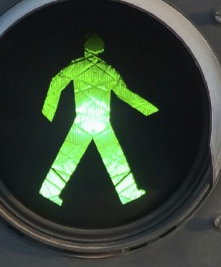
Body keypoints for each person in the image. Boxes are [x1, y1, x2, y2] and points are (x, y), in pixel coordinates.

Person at [39, 33, 158, 206]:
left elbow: (56, 83)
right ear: (101, 49)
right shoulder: (108, 70)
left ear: (86, 48)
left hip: (82, 121)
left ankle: (49, 190)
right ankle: (128, 194)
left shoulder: (76, 67)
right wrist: (148, 110)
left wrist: (48, 112)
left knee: (68, 158)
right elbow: (126, 94)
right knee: (115, 159)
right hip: (101, 121)